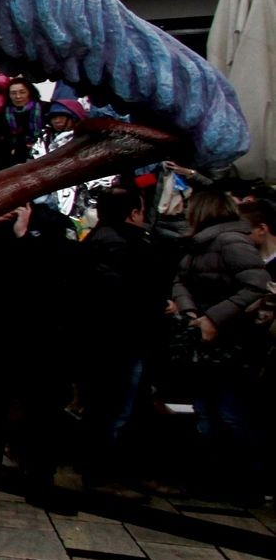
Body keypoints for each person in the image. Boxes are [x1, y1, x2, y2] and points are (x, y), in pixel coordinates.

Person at [0, 202, 87, 511]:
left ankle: (40, 485)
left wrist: (25, 239)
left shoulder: (50, 222)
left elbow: (67, 266)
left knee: (43, 417)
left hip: (40, 342)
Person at [170, 186, 273, 500]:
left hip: (231, 340)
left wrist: (213, 318)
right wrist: (191, 312)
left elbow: (257, 284)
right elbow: (180, 281)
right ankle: (216, 479)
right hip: (206, 339)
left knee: (227, 411)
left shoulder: (230, 241)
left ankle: (244, 481)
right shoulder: (201, 242)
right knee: (208, 410)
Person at [78, 185, 174, 489]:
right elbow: (132, 294)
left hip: (98, 339)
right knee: (117, 407)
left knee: (100, 406)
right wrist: (160, 305)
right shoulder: (132, 244)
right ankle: (105, 473)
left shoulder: (93, 241)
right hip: (125, 339)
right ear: (133, 213)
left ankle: (97, 469)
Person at [0, 79, 48, 173]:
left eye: (22, 92)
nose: (18, 96)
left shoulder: (44, 109)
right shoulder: (2, 115)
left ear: (30, 92)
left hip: (41, 159)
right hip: (9, 163)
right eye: (13, 93)